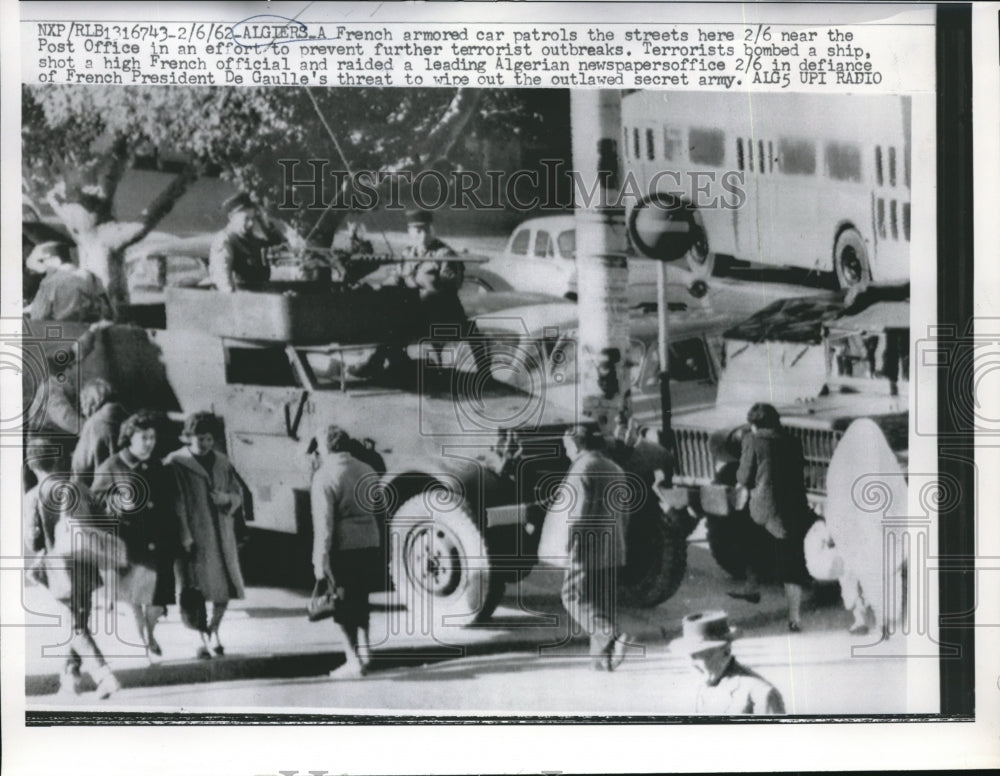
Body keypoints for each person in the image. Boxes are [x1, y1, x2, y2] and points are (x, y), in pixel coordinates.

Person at [24, 438, 121, 699]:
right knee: (78, 622)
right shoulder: (78, 487)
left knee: (75, 627)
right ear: (57, 461)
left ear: (33, 466)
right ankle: (69, 680)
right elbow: (104, 520)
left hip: (59, 571)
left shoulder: (34, 496)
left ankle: (104, 676)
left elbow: (32, 541)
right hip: (87, 564)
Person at [351, 208, 490, 379]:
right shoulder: (408, 254)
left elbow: (447, 288)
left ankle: (375, 362)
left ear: (432, 230)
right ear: (410, 233)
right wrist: (375, 288)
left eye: (425, 230)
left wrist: (416, 287)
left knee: (397, 323)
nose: (422, 236)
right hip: (415, 314)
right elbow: (395, 280)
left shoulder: (444, 255)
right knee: (386, 315)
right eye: (417, 231)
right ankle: (392, 363)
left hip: (442, 315)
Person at [91, 411, 180, 657]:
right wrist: (118, 502)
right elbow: (96, 500)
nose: (150, 442)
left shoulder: (158, 466)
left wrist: (178, 537)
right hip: (130, 545)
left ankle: (149, 635)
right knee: (135, 601)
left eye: (152, 437)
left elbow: (170, 503)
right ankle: (144, 642)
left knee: (157, 604)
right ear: (129, 438)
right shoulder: (112, 466)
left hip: (159, 543)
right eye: (144, 437)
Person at [166, 412, 247, 659]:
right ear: (188, 438)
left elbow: (238, 493)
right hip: (195, 537)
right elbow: (175, 503)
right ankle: (200, 638)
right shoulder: (176, 463)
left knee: (224, 591)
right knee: (195, 593)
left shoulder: (222, 461)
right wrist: (184, 536)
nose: (205, 444)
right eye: (200, 439)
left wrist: (227, 500)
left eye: (209, 439)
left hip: (222, 535)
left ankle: (214, 631)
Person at [728, 403, 812, 632]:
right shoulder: (793, 441)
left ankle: (752, 586)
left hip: (764, 508)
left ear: (754, 425)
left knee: (748, 534)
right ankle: (794, 618)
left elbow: (744, 476)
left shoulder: (752, 441)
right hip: (793, 508)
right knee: (791, 564)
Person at [553, 425, 631, 671]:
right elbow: (625, 513)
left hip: (586, 548)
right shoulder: (615, 468)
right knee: (600, 604)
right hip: (614, 547)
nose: (566, 452)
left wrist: (566, 545)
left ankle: (610, 635)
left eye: (567, 447)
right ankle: (601, 663)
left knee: (572, 596)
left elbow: (575, 515)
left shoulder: (581, 468)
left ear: (576, 445)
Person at [310, 425, 382, 678]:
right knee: (361, 600)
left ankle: (353, 660)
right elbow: (380, 511)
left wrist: (321, 560)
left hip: (343, 547)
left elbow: (324, 524)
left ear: (325, 447)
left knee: (342, 608)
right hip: (370, 542)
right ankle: (367, 650)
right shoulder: (367, 469)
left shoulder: (324, 476)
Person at [670, 611, 785, 715]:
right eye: (690, 657)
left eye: (699, 656)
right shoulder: (700, 685)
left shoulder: (761, 693)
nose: (692, 664)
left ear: (726, 652)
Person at [209, 193, 288, 292]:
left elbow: (278, 243)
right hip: (239, 300)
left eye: (253, 219)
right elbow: (222, 279)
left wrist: (264, 221)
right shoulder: (224, 240)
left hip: (258, 297)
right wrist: (234, 300)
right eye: (246, 219)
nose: (251, 224)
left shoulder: (252, 239)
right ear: (231, 217)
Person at [26, 241, 113, 323]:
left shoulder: (49, 283)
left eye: (43, 261)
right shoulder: (91, 276)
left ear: (54, 259)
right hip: (90, 331)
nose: (44, 265)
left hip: (63, 333)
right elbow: (107, 310)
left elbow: (38, 317)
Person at [71, 378, 127, 487]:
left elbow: (80, 469)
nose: (82, 409)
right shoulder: (127, 418)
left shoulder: (93, 425)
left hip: (101, 492)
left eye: (83, 402)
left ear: (92, 401)